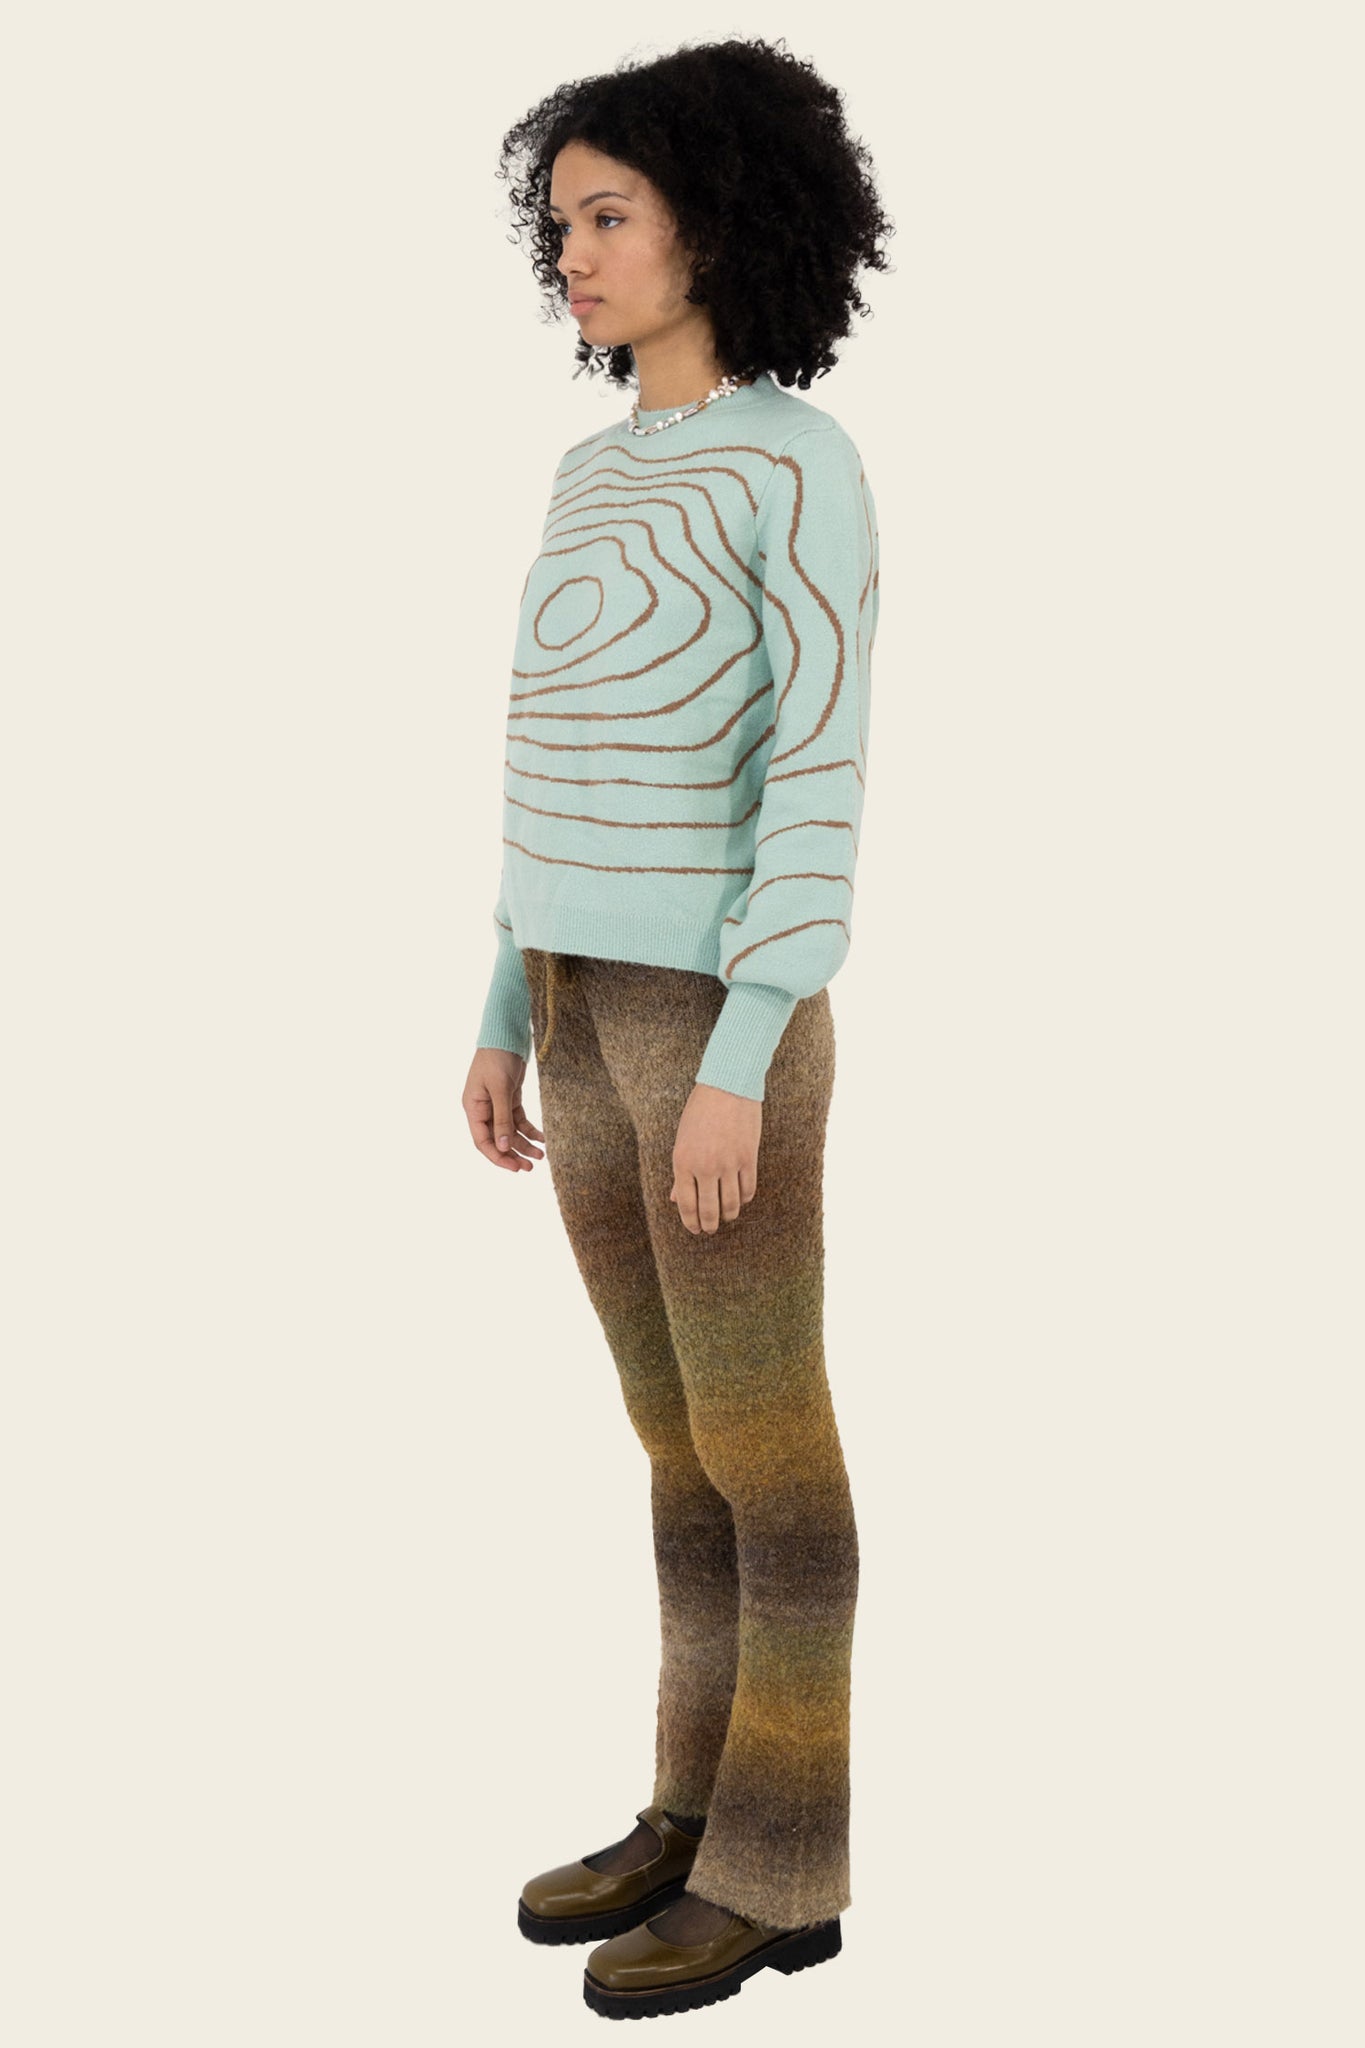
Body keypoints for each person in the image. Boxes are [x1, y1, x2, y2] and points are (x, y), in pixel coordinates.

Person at [461, 35, 892, 2021]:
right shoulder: (589, 470)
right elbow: (549, 757)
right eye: (558, 221)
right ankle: (690, 1807)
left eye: (607, 214)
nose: (571, 252)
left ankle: (782, 1868)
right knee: (672, 1447)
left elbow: (814, 769)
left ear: (716, 222)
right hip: (573, 1009)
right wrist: (500, 1000)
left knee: (765, 1449)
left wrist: (743, 1050)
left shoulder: (798, 463)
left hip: (720, 1020)